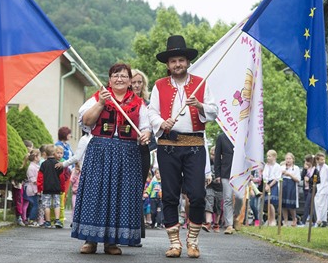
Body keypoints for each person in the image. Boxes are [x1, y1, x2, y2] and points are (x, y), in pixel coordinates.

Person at [149, 35, 218, 258]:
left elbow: (214, 111)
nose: (177, 64)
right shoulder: (159, 85)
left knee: (197, 195)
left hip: (195, 145)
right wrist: (161, 123)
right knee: (169, 195)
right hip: (168, 145)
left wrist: (199, 105)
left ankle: (193, 241)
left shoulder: (201, 83)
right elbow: (152, 112)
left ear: (187, 62)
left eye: (180, 60)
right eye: (173, 61)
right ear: (168, 65)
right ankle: (174, 243)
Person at [71, 63, 151, 255]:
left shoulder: (139, 103)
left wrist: (145, 135)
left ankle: (112, 242)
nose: (119, 79)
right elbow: (87, 122)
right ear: (109, 79)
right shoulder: (98, 98)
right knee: (95, 193)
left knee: (120, 195)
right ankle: (90, 239)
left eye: (124, 76)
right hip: (100, 149)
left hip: (127, 153)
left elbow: (146, 127)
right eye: (115, 75)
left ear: (131, 81)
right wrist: (100, 104)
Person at [131, 68, 155, 246]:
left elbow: (155, 127)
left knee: (137, 189)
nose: (137, 85)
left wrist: (148, 136)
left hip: (143, 151)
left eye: (140, 82)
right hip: (125, 148)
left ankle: (136, 232)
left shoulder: (148, 104)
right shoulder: (122, 103)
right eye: (134, 81)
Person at [214, 132, 241, 234]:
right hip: (226, 172)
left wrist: (250, 172)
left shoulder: (241, 134)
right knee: (227, 198)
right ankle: (229, 225)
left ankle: (236, 218)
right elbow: (217, 156)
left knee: (239, 197)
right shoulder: (221, 136)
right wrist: (217, 174)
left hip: (240, 172)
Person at [37, 144, 64, 229]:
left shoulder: (43, 164)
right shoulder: (58, 164)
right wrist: (62, 187)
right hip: (56, 187)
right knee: (57, 204)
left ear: (46, 153)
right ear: (55, 153)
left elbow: (40, 177)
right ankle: (57, 220)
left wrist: (40, 187)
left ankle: (48, 222)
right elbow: (62, 177)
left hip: (46, 187)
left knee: (46, 205)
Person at [55, 126, 73, 228]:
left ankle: (60, 214)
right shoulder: (58, 145)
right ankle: (59, 215)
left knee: (65, 193)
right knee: (62, 192)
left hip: (69, 171)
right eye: (69, 133)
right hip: (63, 171)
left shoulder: (68, 145)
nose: (70, 135)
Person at [203, 146, 223, 233]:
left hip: (219, 187)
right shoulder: (208, 163)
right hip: (209, 185)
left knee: (218, 205)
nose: (213, 156)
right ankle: (208, 223)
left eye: (215, 155)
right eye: (211, 154)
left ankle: (216, 223)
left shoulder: (222, 163)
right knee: (209, 201)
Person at [280, 152, 300, 227]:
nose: (288, 160)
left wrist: (289, 174)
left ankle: (294, 219)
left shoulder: (296, 168)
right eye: (287, 159)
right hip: (284, 187)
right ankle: (285, 221)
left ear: (293, 160)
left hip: (292, 187)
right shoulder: (282, 167)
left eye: (290, 159)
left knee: (291, 205)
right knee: (284, 205)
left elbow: (298, 179)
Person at [299, 154, 320, 227]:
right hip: (305, 189)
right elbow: (301, 177)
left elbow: (317, 180)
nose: (306, 162)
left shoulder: (315, 170)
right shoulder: (306, 169)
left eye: (307, 161)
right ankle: (315, 222)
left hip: (312, 189)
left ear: (311, 161)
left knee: (307, 205)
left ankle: (303, 222)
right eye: (305, 161)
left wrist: (309, 180)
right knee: (311, 206)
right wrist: (304, 169)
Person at [262, 149, 281, 226]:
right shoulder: (266, 166)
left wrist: (270, 185)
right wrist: (266, 184)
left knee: (271, 202)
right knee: (267, 202)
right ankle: (269, 219)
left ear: (274, 157)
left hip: (273, 184)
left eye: (269, 156)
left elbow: (276, 178)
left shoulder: (277, 166)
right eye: (267, 156)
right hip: (267, 183)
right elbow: (265, 175)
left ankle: (273, 219)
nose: (268, 158)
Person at [314, 152, 328, 227]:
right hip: (317, 188)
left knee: (322, 205)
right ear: (317, 160)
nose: (323, 161)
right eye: (321, 159)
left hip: (324, 188)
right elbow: (315, 177)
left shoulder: (326, 167)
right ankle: (322, 220)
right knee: (317, 204)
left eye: (324, 159)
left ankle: (319, 220)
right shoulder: (316, 167)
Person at [24, 149, 41, 227]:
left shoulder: (36, 166)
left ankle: (33, 219)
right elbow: (33, 180)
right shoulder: (31, 167)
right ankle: (31, 219)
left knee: (35, 204)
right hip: (32, 189)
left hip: (35, 188)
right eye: (39, 156)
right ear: (35, 157)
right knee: (35, 205)